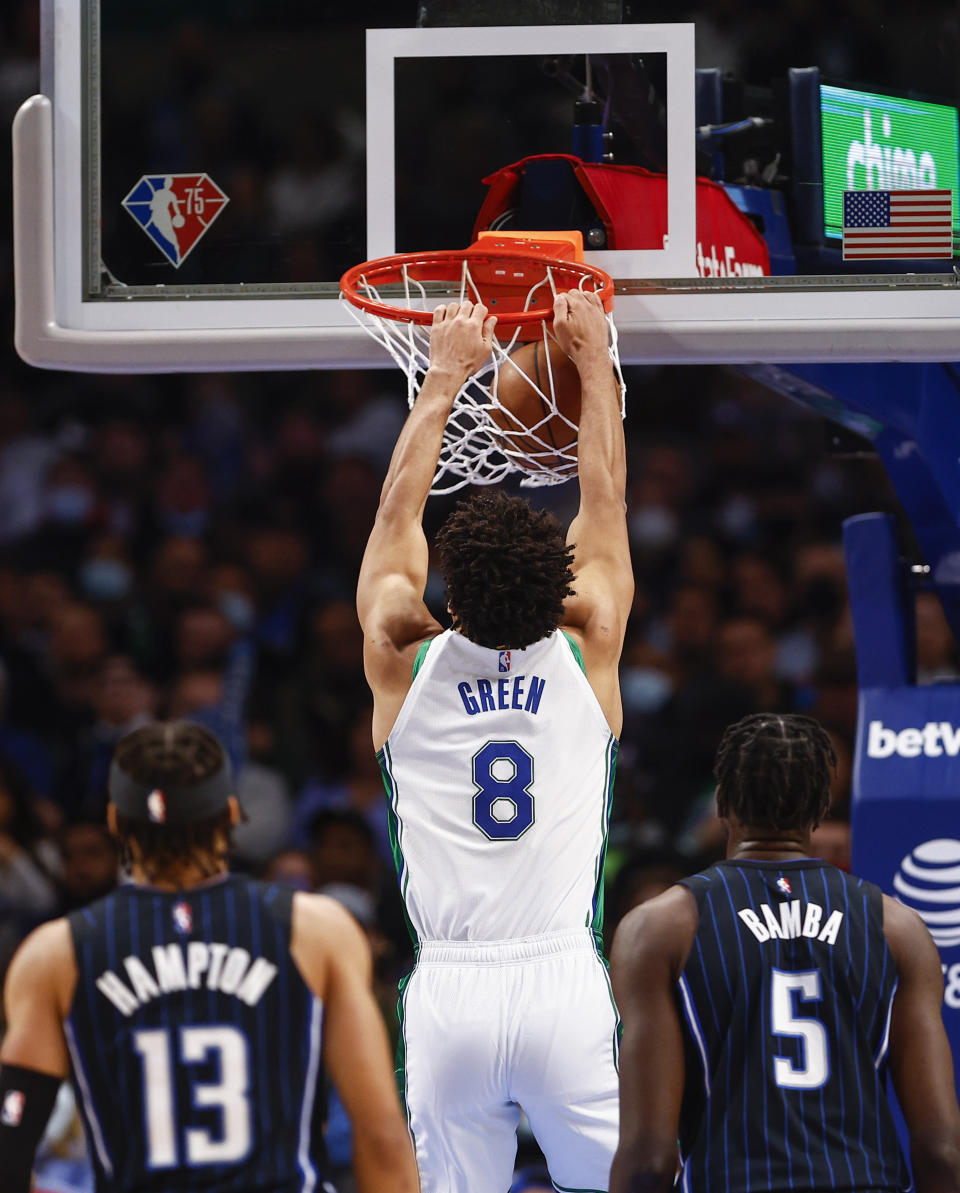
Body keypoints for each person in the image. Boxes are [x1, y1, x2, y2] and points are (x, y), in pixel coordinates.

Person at [357, 289, 633, 1193]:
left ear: (452, 589)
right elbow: (606, 500)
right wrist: (594, 362)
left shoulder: (402, 647)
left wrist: (442, 377)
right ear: (557, 584)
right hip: (561, 976)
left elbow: (395, 520)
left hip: (452, 990)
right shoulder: (590, 639)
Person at [0, 720, 418, 1193]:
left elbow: (9, 1153)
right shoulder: (315, 930)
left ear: (116, 822)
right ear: (231, 814)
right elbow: (382, 1136)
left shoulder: (56, 954)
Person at [609, 712, 960, 1193]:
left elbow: (649, 1158)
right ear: (822, 807)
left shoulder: (660, 927)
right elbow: (941, 1151)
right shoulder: (897, 928)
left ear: (721, 802)